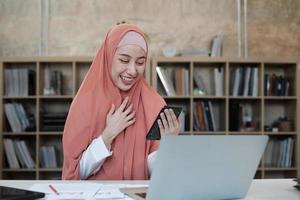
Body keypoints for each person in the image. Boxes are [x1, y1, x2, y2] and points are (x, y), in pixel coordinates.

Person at [62, 23, 180, 180]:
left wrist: (168, 146)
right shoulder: (85, 103)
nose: (132, 71)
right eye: (124, 60)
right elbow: (75, 175)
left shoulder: (155, 104)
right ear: (109, 57)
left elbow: (159, 176)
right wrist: (108, 135)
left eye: (140, 62)